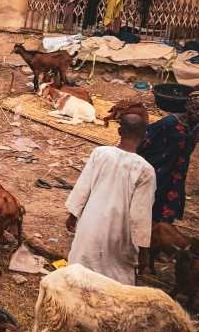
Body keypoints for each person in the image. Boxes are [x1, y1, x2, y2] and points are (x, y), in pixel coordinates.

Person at [66, 113, 155, 285]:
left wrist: (73, 214)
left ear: (120, 131)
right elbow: (140, 214)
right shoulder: (145, 170)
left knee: (81, 266)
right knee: (114, 278)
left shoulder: (100, 153)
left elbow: (83, 187)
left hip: (90, 224)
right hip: (119, 233)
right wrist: (144, 249)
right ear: (144, 136)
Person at [137, 90, 199, 223]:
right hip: (157, 165)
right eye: (195, 108)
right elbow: (145, 137)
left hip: (177, 169)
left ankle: (160, 226)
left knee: (168, 195)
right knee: (150, 193)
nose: (198, 113)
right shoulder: (169, 122)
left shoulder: (198, 127)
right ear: (187, 106)